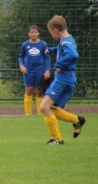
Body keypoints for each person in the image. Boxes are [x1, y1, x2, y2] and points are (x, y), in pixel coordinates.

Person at [39, 15, 86, 145]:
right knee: (48, 108)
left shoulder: (66, 42)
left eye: (51, 33)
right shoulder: (67, 40)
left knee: (44, 107)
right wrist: (52, 50)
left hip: (63, 80)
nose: (52, 35)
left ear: (55, 30)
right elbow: (63, 50)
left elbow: (73, 55)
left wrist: (59, 64)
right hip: (65, 79)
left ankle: (58, 140)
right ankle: (77, 120)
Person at [18, 25, 50, 115]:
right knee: (29, 90)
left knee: (39, 91)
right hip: (28, 71)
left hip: (40, 70)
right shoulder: (25, 45)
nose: (34, 34)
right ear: (28, 34)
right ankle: (28, 114)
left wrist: (47, 70)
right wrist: (21, 65)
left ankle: (39, 114)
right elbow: (20, 56)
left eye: (35, 32)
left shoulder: (43, 44)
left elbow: (47, 58)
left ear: (38, 33)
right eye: (32, 32)